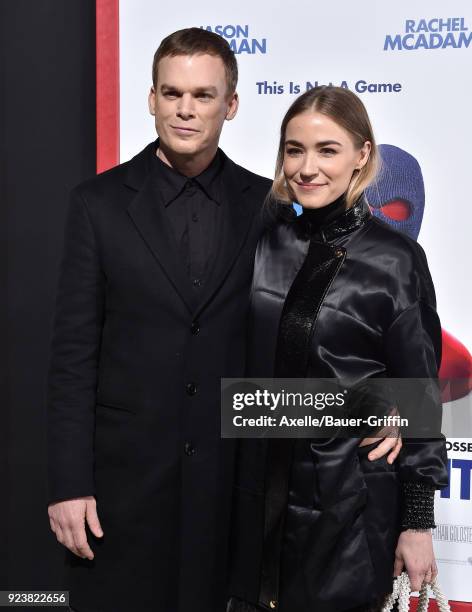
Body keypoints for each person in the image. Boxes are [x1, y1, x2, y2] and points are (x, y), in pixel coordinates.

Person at [46, 28, 402, 612]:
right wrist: (68, 484)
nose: (185, 109)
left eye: (203, 95)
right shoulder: (98, 204)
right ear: (152, 98)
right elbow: (71, 358)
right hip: (121, 491)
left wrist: (392, 407)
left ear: (231, 105)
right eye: (172, 93)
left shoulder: (272, 208)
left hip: (235, 488)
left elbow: (322, 338)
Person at [227, 86, 449, 612]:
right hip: (253, 499)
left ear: (362, 155)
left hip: (349, 509)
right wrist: (360, 404)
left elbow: (418, 396)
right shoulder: (262, 239)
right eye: (294, 149)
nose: (307, 167)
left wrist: (417, 523)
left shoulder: (396, 261)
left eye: (327, 150)